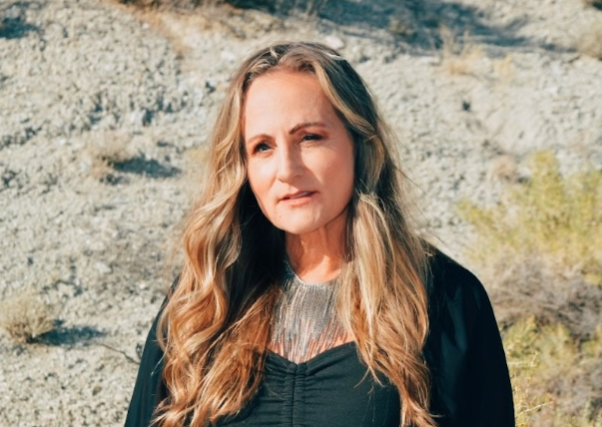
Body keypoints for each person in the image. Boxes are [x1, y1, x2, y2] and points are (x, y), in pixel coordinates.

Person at [125, 41, 514, 427]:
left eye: (309, 137)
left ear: (360, 144)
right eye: (262, 147)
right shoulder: (204, 300)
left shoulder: (446, 301)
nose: (286, 170)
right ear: (243, 167)